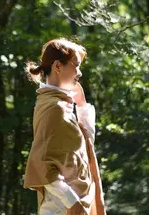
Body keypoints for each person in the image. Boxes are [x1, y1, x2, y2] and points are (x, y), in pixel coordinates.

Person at [23, 38, 106, 215]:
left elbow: (85, 146)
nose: (80, 73)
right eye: (76, 65)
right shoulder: (54, 107)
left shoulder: (59, 103)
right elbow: (42, 165)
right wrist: (72, 202)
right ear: (58, 67)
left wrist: (82, 105)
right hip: (60, 209)